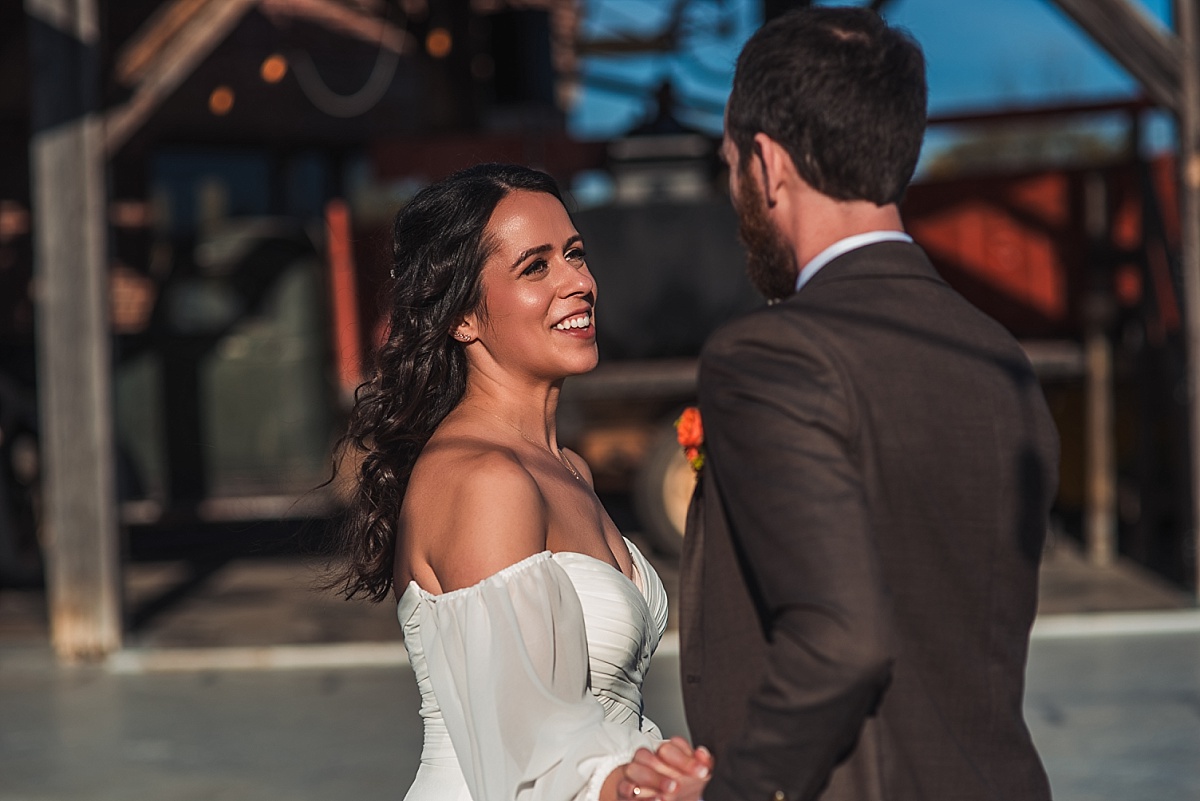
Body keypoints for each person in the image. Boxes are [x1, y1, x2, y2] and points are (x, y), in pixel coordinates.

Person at [662, 7, 1060, 801]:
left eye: (732, 163)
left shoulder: (771, 357)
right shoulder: (1001, 361)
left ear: (768, 164)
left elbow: (843, 642)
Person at [324, 163, 710, 801]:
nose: (578, 283)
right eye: (536, 267)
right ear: (462, 318)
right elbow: (531, 754)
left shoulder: (568, 468)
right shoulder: (483, 479)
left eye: (575, 254)